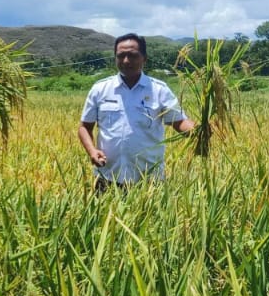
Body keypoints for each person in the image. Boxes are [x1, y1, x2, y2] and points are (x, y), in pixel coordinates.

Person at [79, 33, 195, 191]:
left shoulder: (159, 90)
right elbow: (85, 127)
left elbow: (179, 121)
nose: (126, 61)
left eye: (132, 55)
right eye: (121, 56)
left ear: (144, 58)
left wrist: (197, 130)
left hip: (149, 180)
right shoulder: (100, 89)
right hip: (107, 176)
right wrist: (92, 151)